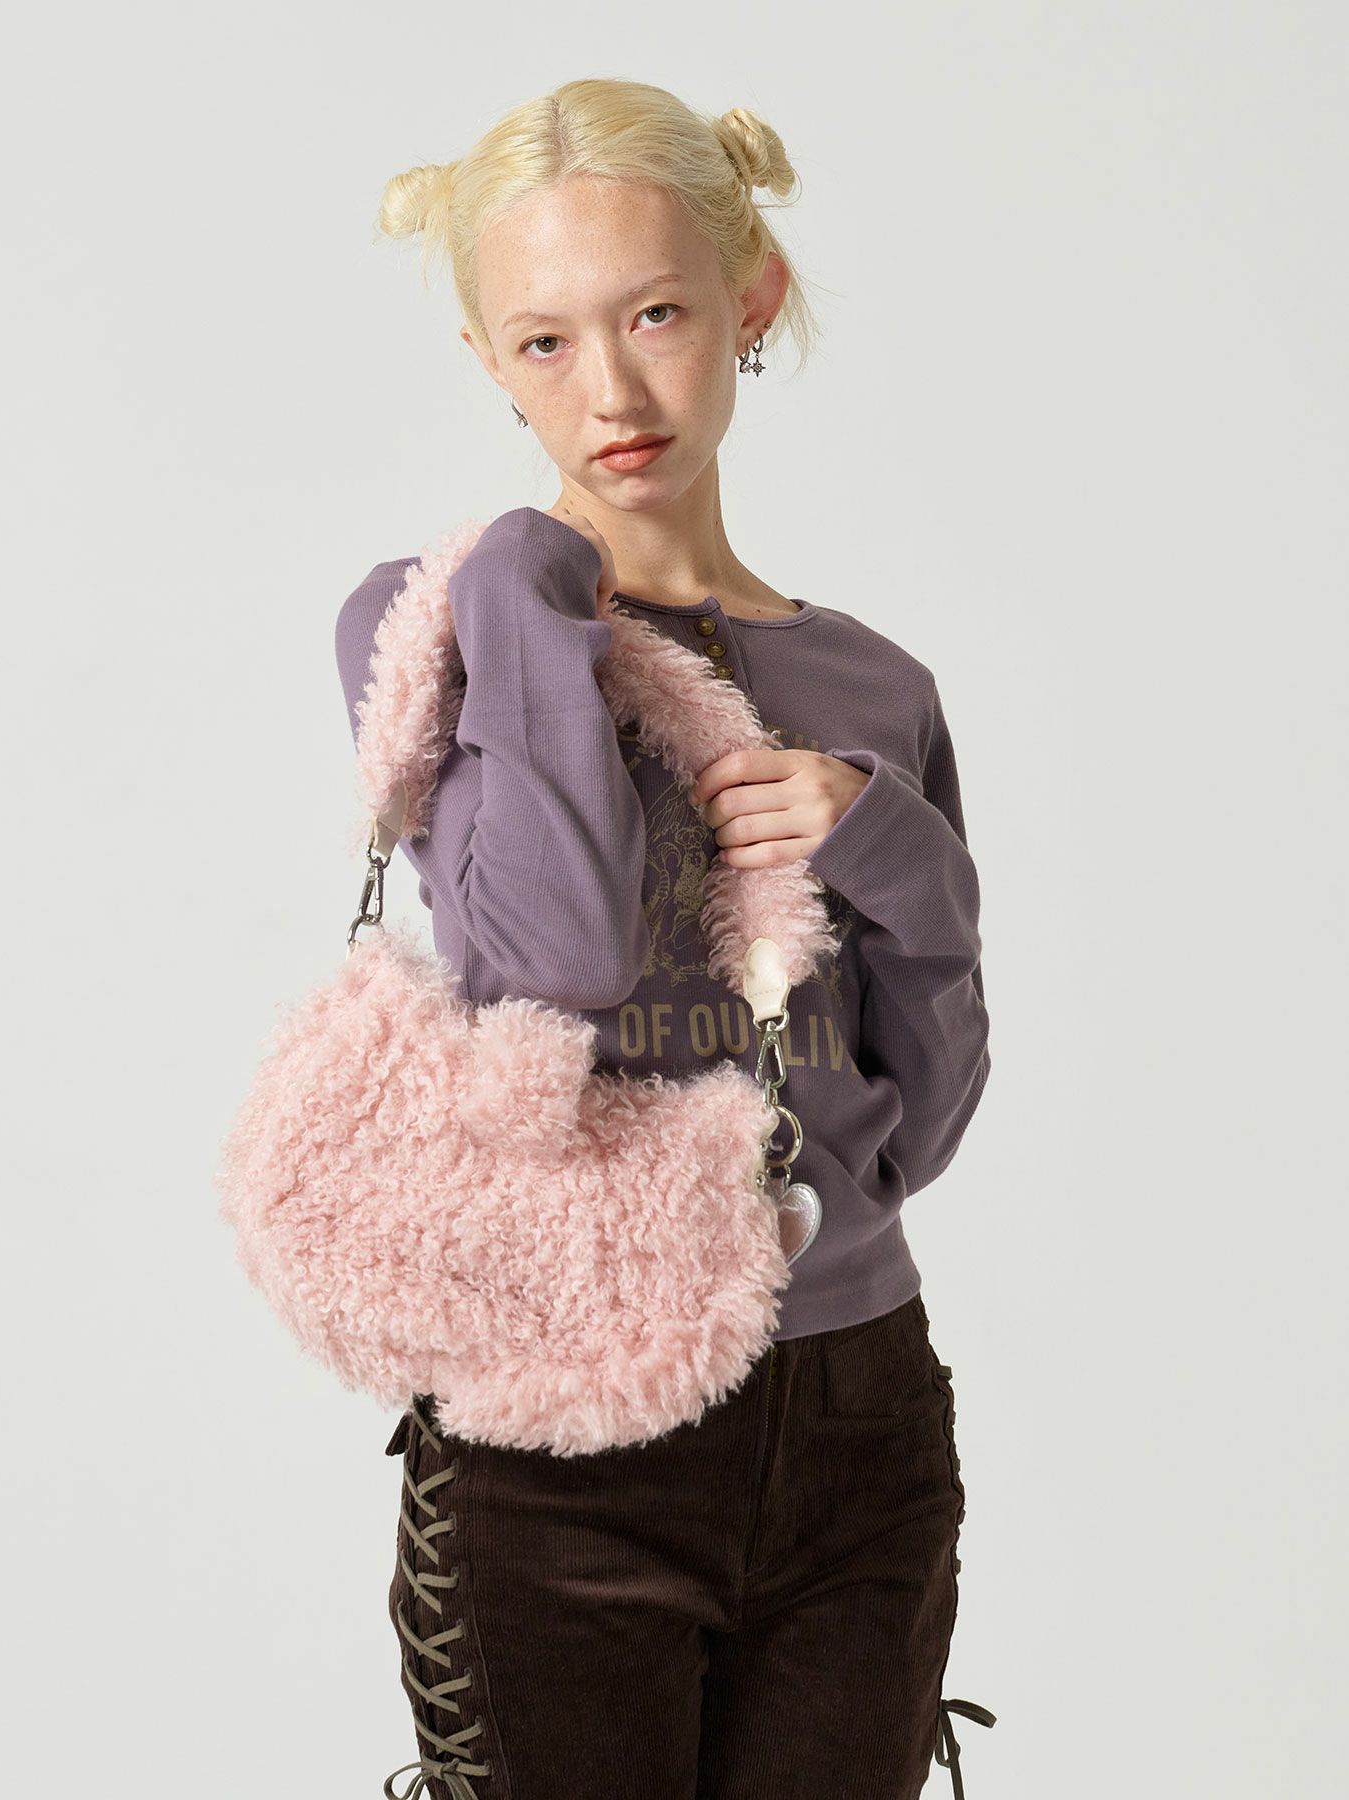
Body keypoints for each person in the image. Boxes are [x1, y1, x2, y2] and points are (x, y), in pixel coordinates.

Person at [334, 76, 997, 1800]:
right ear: (488, 362)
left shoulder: (874, 685)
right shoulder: (441, 628)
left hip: (855, 1409)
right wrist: (530, 582)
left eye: (655, 317)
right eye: (545, 343)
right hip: (563, 1427)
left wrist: (880, 836)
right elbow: (548, 959)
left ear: (748, 297)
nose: (612, 394)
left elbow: (925, 1113)